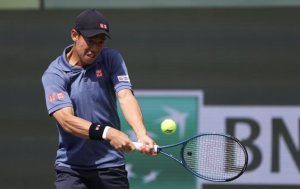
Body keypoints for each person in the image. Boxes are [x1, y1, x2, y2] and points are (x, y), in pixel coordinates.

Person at [41, 9, 156, 189]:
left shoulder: (111, 59)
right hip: (71, 170)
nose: (95, 49)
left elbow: (125, 96)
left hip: (111, 167)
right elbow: (67, 121)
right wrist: (108, 133)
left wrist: (141, 134)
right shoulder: (54, 74)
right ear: (74, 35)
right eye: (90, 41)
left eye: (100, 43)